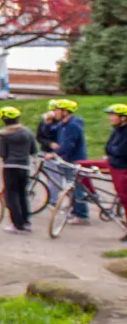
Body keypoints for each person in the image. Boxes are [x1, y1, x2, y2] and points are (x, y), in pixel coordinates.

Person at [82, 104, 127, 241]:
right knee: (80, 166)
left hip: (121, 168)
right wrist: (111, 151)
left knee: (125, 198)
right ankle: (92, 194)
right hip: (112, 163)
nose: (110, 118)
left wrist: (111, 151)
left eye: (113, 115)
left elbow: (121, 152)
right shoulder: (116, 130)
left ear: (123, 118)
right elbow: (108, 148)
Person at [46, 98, 89, 225]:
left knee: (77, 188)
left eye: (56, 110)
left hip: (74, 160)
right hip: (67, 160)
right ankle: (75, 210)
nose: (54, 113)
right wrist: (47, 123)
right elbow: (50, 130)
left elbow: (68, 145)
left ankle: (81, 215)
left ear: (65, 112)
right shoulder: (64, 124)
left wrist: (54, 153)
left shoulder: (72, 126)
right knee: (71, 187)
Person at [0, 106, 38, 233]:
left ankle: (16, 224)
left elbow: (2, 153)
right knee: (22, 194)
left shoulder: (3, 134)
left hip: (10, 167)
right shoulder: (27, 132)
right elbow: (33, 150)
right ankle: (26, 222)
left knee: (11, 195)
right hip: (24, 167)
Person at [36, 107, 64, 201]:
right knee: (53, 178)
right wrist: (49, 143)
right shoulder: (43, 124)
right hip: (46, 153)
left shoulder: (60, 124)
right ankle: (52, 200)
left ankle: (53, 198)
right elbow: (39, 137)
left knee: (58, 178)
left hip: (59, 153)